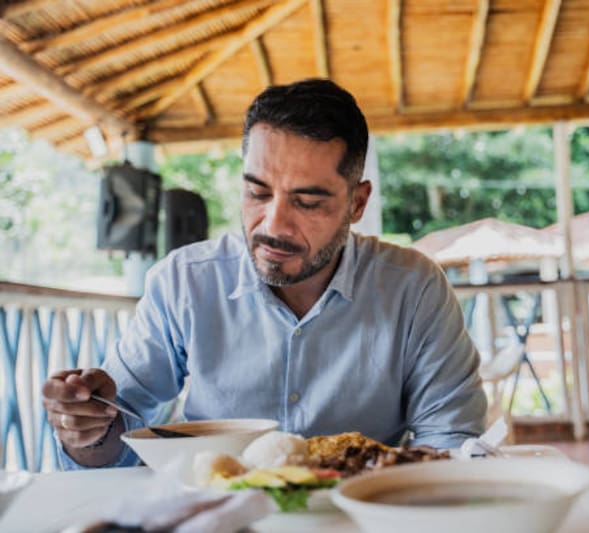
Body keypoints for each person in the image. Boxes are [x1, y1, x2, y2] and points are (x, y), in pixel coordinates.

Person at [42, 78, 487, 469]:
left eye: (307, 202)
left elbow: (450, 445)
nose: (273, 225)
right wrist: (87, 428)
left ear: (357, 203)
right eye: (257, 192)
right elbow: (114, 441)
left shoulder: (414, 289)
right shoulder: (184, 283)